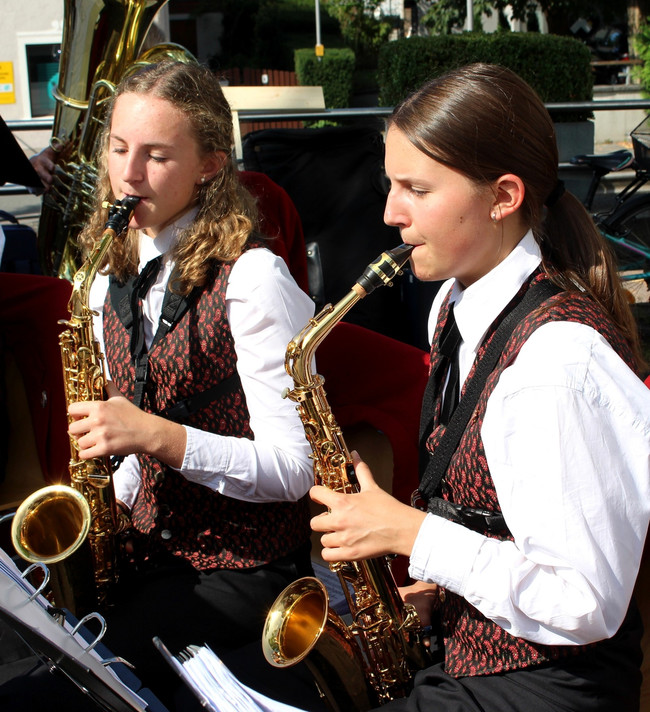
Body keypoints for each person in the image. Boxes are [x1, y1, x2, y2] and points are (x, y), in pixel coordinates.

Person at [311, 63, 650, 712]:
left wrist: (412, 535)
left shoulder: (554, 365)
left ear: (503, 197)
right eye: (390, 184)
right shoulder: (451, 308)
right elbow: (508, 528)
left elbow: (585, 602)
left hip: (549, 689)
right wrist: (443, 589)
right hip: (473, 662)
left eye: (416, 188)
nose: (390, 213)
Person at [62, 58, 318, 708]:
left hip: (244, 568)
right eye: (118, 148)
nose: (128, 173)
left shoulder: (255, 280)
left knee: (92, 672)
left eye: (155, 155)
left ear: (209, 164)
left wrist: (160, 437)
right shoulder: (101, 279)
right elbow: (123, 459)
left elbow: (295, 469)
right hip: (150, 551)